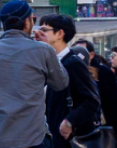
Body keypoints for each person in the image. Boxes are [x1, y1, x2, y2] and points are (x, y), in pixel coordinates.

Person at [0, 0, 66, 148]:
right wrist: (49, 48)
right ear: (27, 22)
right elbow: (61, 83)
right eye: (32, 19)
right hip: (33, 138)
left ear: (3, 25)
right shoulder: (42, 51)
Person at [34, 14, 101, 147]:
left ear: (59, 34)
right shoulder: (43, 61)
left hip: (66, 138)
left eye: (44, 30)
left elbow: (92, 100)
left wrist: (70, 121)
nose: (38, 34)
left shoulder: (73, 63)